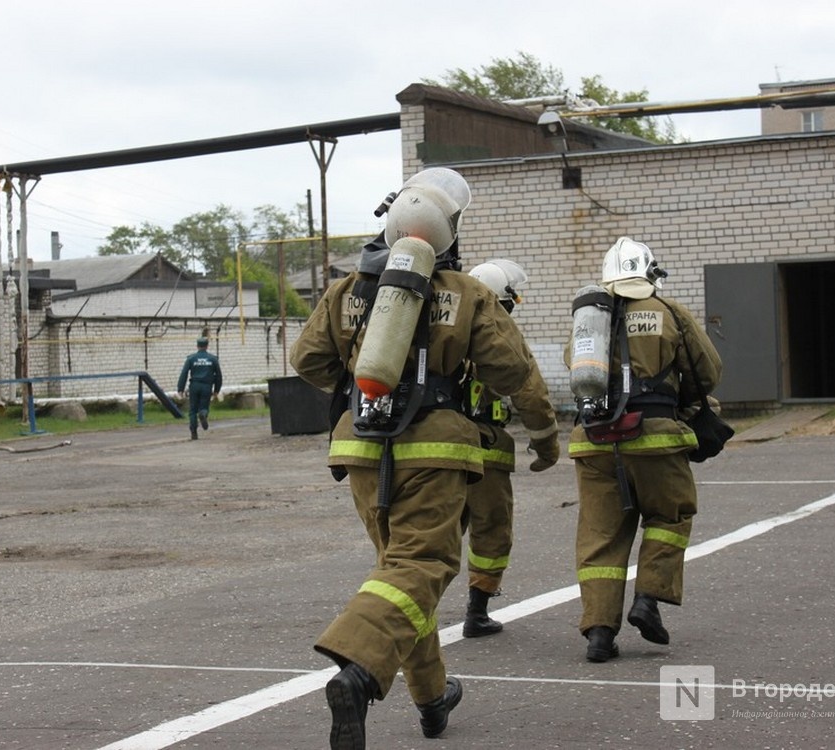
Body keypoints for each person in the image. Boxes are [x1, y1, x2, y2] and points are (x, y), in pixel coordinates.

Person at [291, 168, 557, 749]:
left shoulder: (348, 291)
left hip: (362, 445)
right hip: (436, 448)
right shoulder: (465, 291)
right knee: (419, 568)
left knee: (402, 572)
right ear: (448, 231)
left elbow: (307, 360)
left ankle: (432, 698)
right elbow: (512, 372)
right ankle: (356, 670)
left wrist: (361, 376)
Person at [563, 237, 722, 663]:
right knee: (670, 516)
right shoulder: (669, 312)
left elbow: (574, 369)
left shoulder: (588, 319)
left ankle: (599, 633)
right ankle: (648, 599)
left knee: (600, 537)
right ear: (650, 274)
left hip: (594, 441)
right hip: (655, 439)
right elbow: (708, 374)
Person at [461, 259, 560, 638]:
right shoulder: (502, 335)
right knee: (491, 530)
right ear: (507, 303)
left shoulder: (443, 328)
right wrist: (546, 447)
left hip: (430, 447)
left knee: (432, 532)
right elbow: (531, 395)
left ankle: (412, 608)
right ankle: (477, 610)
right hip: (484, 449)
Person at [177, 335, 222, 440]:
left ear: (197, 346)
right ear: (207, 346)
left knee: (192, 410)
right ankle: (203, 414)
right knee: (204, 407)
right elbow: (219, 376)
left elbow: (184, 373)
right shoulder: (213, 359)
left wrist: (180, 388)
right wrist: (216, 390)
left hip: (194, 386)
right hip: (207, 386)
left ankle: (194, 433)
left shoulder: (191, 358)